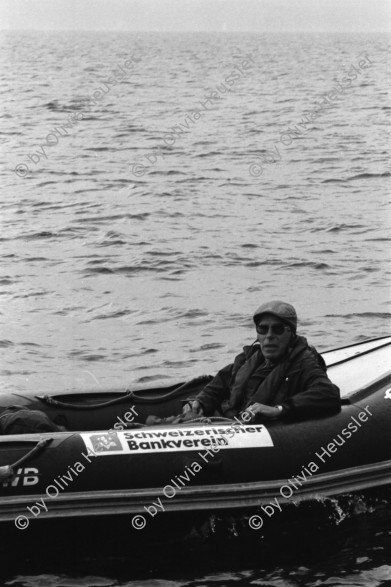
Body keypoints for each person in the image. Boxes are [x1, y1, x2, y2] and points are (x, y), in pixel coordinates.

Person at [183, 301, 340, 422]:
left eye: (277, 329)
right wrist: (201, 402)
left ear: (291, 334)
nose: (269, 336)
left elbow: (329, 394)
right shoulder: (248, 359)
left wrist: (278, 410)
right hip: (228, 421)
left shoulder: (304, 363)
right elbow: (218, 385)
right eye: (263, 329)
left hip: (258, 431)